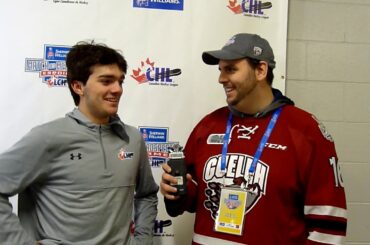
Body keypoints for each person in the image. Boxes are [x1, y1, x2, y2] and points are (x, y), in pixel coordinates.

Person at [160, 33, 347, 244]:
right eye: (220, 70)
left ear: (261, 70)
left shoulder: (305, 130)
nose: (221, 78)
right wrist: (176, 192)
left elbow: (329, 228)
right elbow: (192, 198)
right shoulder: (209, 125)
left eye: (231, 69)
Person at [0, 42, 158, 245]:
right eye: (106, 81)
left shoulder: (133, 139)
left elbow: (147, 194)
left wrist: (143, 241)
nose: (117, 89)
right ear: (78, 86)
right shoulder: (48, 137)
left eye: (120, 81)